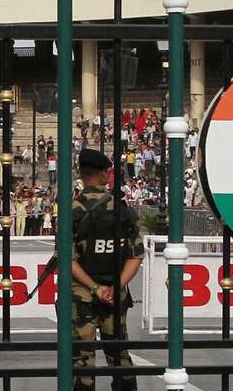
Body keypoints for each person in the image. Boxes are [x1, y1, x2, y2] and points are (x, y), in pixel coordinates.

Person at [70, 148, 143, 391]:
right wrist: (116, 285)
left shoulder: (73, 209)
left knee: (82, 360)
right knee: (119, 356)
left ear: (81, 174)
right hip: (115, 293)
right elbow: (136, 255)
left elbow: (66, 260)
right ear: (104, 174)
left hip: (82, 294)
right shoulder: (122, 210)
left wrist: (94, 287)